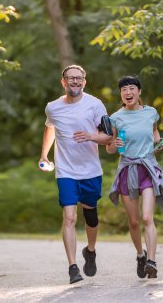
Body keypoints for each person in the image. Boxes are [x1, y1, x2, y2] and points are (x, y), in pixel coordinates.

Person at [39, 64, 112, 284]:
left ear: (84, 82)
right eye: (71, 78)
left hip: (90, 170)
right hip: (66, 171)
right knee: (69, 217)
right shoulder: (53, 108)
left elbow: (108, 137)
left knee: (90, 216)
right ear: (63, 82)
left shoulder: (95, 105)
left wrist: (90, 136)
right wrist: (44, 155)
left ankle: (90, 250)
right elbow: (50, 128)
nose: (75, 81)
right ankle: (72, 267)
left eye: (79, 78)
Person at [106, 76, 163, 279]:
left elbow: (154, 133)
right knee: (133, 222)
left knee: (147, 217)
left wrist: (158, 143)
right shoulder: (116, 117)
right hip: (127, 170)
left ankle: (152, 261)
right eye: (123, 89)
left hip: (147, 169)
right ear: (121, 94)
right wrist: (115, 143)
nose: (127, 92)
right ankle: (140, 255)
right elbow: (109, 148)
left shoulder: (151, 113)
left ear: (139, 92)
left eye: (131, 88)